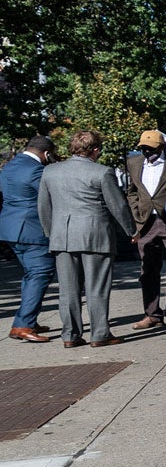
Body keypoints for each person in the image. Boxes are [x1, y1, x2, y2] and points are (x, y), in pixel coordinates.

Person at [37, 129, 137, 348]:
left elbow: (44, 207)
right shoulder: (102, 172)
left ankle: (70, 335)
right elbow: (117, 206)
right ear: (95, 150)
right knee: (97, 287)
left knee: (68, 290)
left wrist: (50, 233)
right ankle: (100, 333)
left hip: (62, 236)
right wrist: (131, 231)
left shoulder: (51, 172)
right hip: (95, 235)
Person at [124, 129, 166, 331]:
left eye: (150, 149)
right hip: (146, 222)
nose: (146, 152)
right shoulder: (134, 163)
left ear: (161, 147)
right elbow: (132, 191)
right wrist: (136, 213)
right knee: (148, 270)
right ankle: (152, 314)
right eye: (142, 148)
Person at [1, 135, 57, 342]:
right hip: (32, 230)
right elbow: (50, 195)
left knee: (31, 274)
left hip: (11, 229)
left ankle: (28, 319)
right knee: (41, 272)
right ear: (47, 153)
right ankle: (22, 325)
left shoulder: (10, 166)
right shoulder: (36, 170)